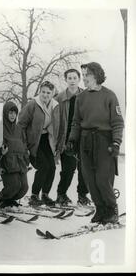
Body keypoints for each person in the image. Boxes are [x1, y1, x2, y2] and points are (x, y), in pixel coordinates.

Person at [67, 62, 124, 224]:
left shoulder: (109, 96)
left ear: (97, 75)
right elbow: (76, 122)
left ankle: (111, 209)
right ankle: (100, 209)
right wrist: (72, 140)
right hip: (85, 141)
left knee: (102, 179)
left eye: (87, 75)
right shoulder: (81, 98)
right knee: (90, 179)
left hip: (103, 140)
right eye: (83, 75)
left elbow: (118, 123)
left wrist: (116, 142)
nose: (84, 79)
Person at [18, 81, 60, 207]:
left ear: (52, 94)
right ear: (39, 91)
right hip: (34, 141)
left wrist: (58, 144)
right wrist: (24, 146)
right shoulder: (32, 104)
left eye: (48, 92)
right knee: (44, 166)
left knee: (52, 167)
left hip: (47, 139)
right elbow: (21, 125)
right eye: (43, 92)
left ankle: (45, 194)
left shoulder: (55, 105)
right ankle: (34, 196)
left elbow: (57, 125)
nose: (45, 95)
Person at [55, 69, 91, 206]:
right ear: (66, 80)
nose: (72, 80)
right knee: (68, 169)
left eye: (74, 77)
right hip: (67, 139)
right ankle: (61, 194)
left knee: (84, 169)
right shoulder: (58, 98)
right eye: (69, 78)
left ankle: (82, 195)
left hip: (83, 138)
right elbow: (55, 121)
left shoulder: (86, 95)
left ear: (79, 79)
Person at [0, 101, 29, 209]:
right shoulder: (0, 129)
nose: (13, 115)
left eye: (14, 113)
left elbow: (24, 146)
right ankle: (2, 199)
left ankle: (10, 201)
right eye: (10, 113)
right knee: (14, 185)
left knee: (24, 187)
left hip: (20, 163)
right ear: (5, 113)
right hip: (7, 164)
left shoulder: (19, 129)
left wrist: (26, 160)